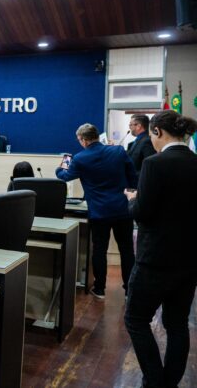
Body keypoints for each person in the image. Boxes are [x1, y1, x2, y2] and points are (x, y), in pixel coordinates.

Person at [123, 110, 197, 388]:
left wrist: (134, 198)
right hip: (189, 260)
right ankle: (170, 382)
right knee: (177, 324)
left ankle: (154, 380)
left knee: (135, 319)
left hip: (155, 259)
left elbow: (142, 213)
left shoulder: (155, 164)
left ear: (157, 132)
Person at [55, 123, 137, 299]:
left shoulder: (80, 158)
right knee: (127, 250)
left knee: (99, 249)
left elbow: (64, 176)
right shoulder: (118, 151)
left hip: (99, 212)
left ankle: (99, 288)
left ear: (83, 140)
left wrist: (63, 163)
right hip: (123, 209)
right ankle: (129, 290)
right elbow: (133, 177)